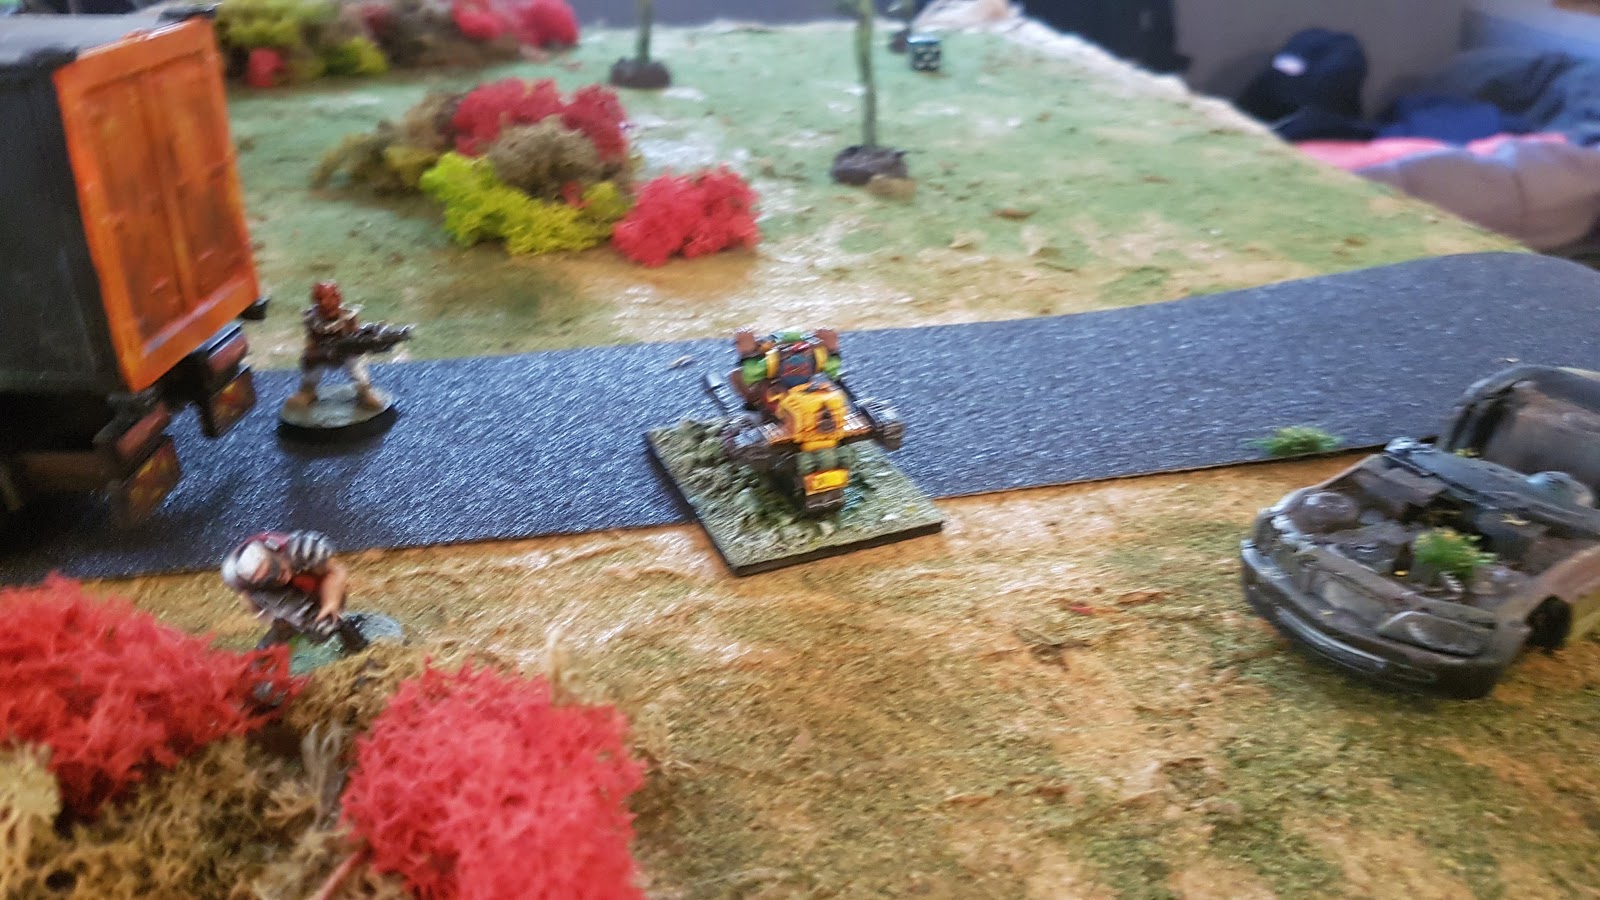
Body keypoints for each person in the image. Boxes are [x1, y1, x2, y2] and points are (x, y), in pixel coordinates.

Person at [220, 530, 368, 651]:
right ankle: (273, 649)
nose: (278, 577)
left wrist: (331, 603)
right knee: (290, 624)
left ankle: (351, 638)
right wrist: (271, 617)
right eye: (269, 579)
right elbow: (248, 600)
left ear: (276, 551)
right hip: (277, 596)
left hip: (318, 585)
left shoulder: (303, 549)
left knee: (325, 626)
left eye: (274, 569)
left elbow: (335, 571)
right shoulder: (241, 581)